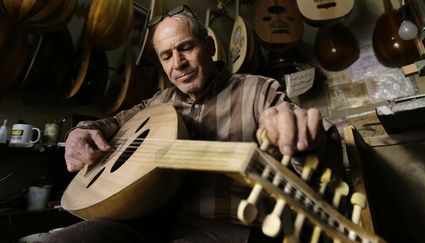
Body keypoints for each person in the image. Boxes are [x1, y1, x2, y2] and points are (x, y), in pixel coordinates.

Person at [45, 5, 341, 243]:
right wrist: (80, 132)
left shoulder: (258, 91)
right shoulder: (158, 102)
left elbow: (309, 158)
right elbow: (113, 123)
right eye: (166, 56)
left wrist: (307, 141)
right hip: (152, 222)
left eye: (185, 47)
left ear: (209, 46)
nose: (178, 63)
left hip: (233, 231)